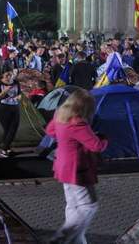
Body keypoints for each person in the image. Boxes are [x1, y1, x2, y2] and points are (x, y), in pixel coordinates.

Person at [46, 89, 108, 244]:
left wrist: (67, 140)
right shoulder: (78, 123)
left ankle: (77, 241)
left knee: (73, 205)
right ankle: (62, 237)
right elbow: (96, 146)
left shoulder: (60, 115)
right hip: (77, 168)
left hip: (62, 164)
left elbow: (50, 131)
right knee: (88, 206)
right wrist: (104, 138)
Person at [0, 71, 22, 157]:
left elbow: (19, 94)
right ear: (2, 75)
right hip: (3, 108)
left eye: (11, 74)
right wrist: (5, 91)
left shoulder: (16, 82)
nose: (9, 77)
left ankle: (6, 147)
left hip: (15, 107)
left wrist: (18, 97)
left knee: (14, 128)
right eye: (7, 75)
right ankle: (4, 150)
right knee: (8, 129)